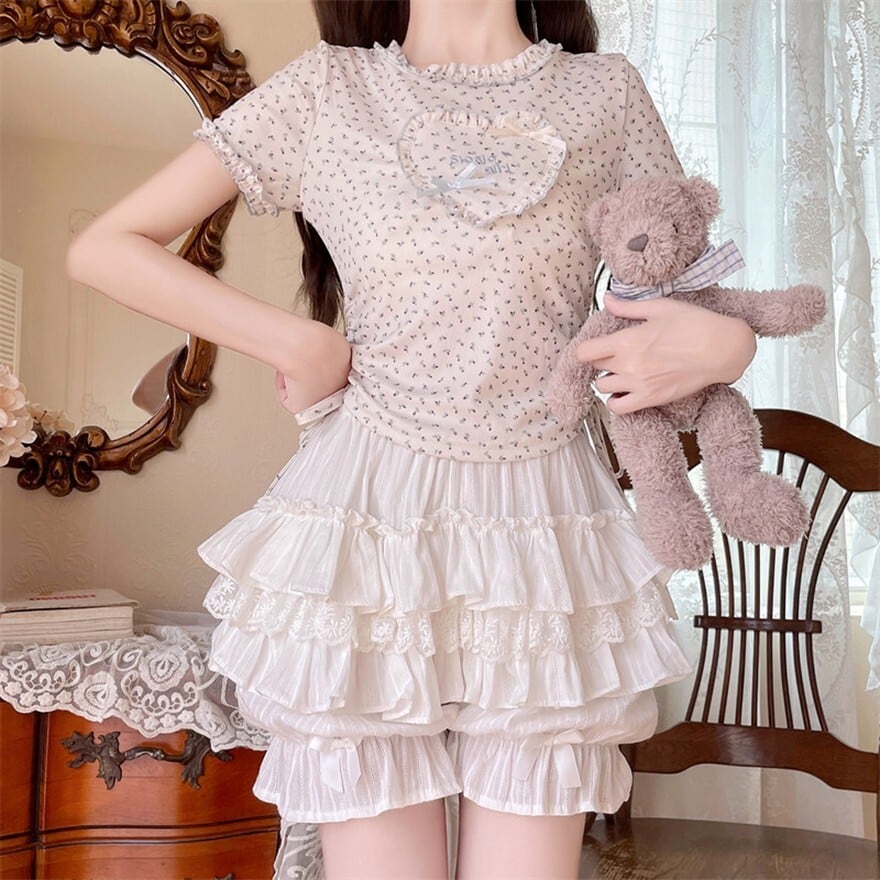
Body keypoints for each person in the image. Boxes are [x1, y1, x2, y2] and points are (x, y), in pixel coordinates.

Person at [67, 1, 757, 877]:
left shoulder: (605, 93)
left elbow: (686, 288)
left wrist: (732, 344)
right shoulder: (330, 87)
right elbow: (106, 247)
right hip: (368, 518)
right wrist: (295, 342)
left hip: (545, 529)